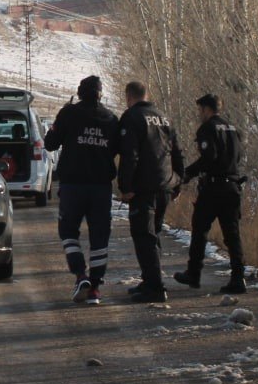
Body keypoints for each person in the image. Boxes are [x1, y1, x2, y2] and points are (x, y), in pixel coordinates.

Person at [44, 75, 120, 304]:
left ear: (79, 93)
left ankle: (80, 275)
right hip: (101, 188)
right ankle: (95, 288)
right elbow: (118, 149)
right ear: (100, 94)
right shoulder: (111, 118)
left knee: (68, 231)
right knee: (99, 236)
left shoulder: (69, 113)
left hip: (73, 186)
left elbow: (50, 144)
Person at [174, 93, 248, 294]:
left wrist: (187, 174)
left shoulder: (207, 128)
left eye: (200, 110)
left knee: (200, 230)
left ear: (207, 109)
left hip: (214, 188)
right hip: (232, 187)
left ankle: (193, 273)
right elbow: (239, 156)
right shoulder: (233, 129)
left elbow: (209, 157)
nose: (199, 114)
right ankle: (238, 278)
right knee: (232, 235)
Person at [117, 81, 184, 304]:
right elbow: (177, 153)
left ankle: (155, 287)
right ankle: (150, 280)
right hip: (164, 185)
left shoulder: (132, 117)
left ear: (129, 97)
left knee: (144, 237)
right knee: (152, 235)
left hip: (143, 188)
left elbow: (130, 154)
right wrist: (177, 183)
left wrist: (125, 187)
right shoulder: (164, 117)